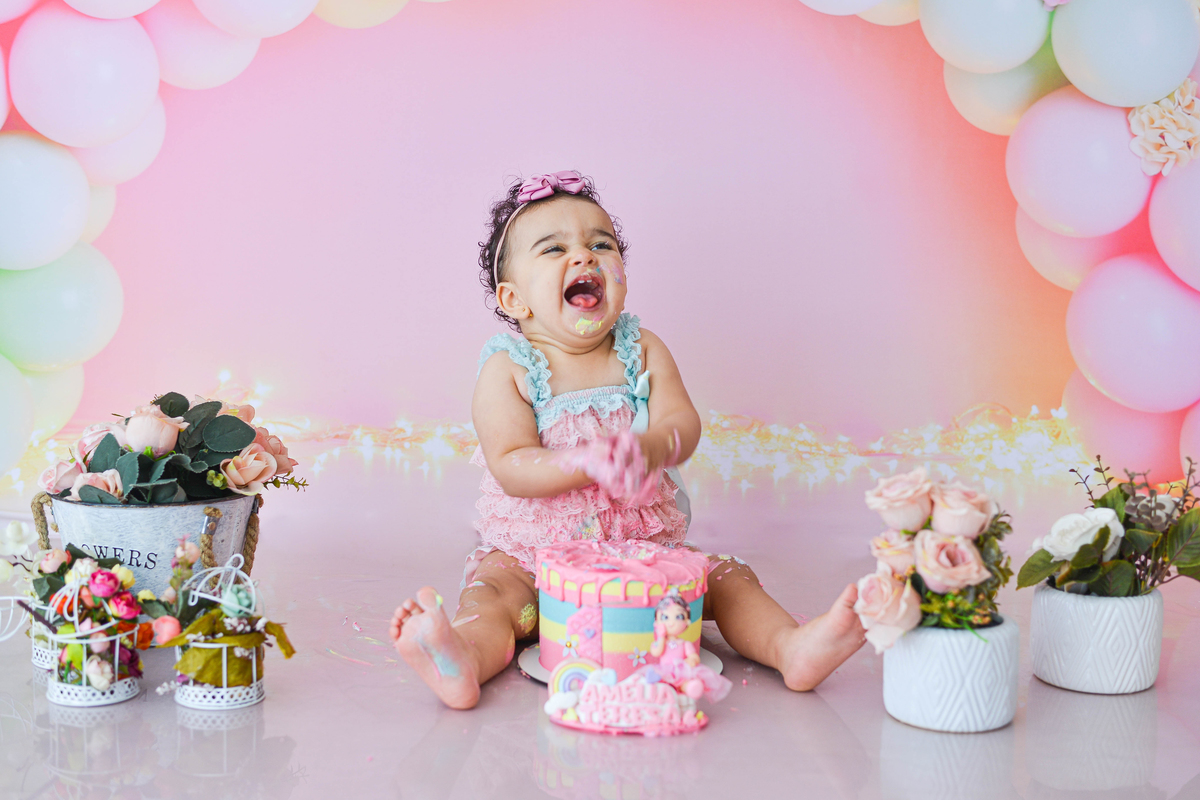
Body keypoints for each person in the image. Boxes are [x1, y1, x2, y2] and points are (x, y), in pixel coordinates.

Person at [390, 171, 865, 709]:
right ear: (514, 298)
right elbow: (511, 464)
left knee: (730, 580)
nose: (585, 258)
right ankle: (461, 659)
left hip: (645, 561)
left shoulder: (642, 349)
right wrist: (587, 461)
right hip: (531, 561)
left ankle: (791, 647)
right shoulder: (510, 368)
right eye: (554, 249)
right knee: (496, 601)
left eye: (601, 244)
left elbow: (683, 424)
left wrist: (656, 445)